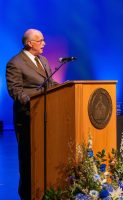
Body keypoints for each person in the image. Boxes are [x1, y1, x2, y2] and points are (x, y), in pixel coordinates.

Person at [6, 28, 58, 200]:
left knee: (46, 156)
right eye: (41, 40)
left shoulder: (42, 60)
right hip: (28, 117)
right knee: (28, 159)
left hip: (47, 117)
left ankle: (45, 191)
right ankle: (27, 195)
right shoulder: (15, 63)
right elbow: (15, 91)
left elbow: (50, 84)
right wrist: (32, 100)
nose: (44, 43)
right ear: (30, 43)